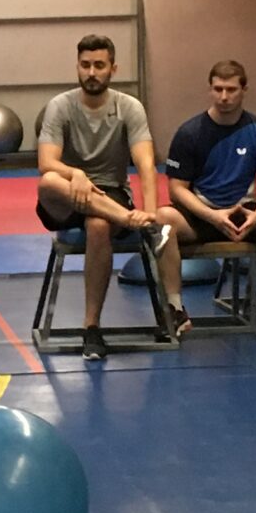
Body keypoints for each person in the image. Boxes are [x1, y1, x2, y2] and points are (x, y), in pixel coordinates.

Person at [36, 33, 184, 359]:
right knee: (48, 181)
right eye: (85, 65)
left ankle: (91, 328)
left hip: (110, 193)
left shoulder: (129, 108)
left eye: (99, 65)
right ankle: (132, 222)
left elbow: (146, 164)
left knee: (99, 225)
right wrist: (76, 174)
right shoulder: (60, 106)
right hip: (67, 192)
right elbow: (46, 162)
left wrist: (150, 212)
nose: (91, 72)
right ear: (77, 66)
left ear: (113, 69)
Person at [163, 59, 256, 254]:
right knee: (163, 219)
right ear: (210, 90)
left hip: (245, 214)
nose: (224, 97)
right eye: (218, 89)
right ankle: (171, 278)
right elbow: (176, 189)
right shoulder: (189, 133)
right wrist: (212, 216)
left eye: (231, 90)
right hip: (203, 216)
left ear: (244, 90)